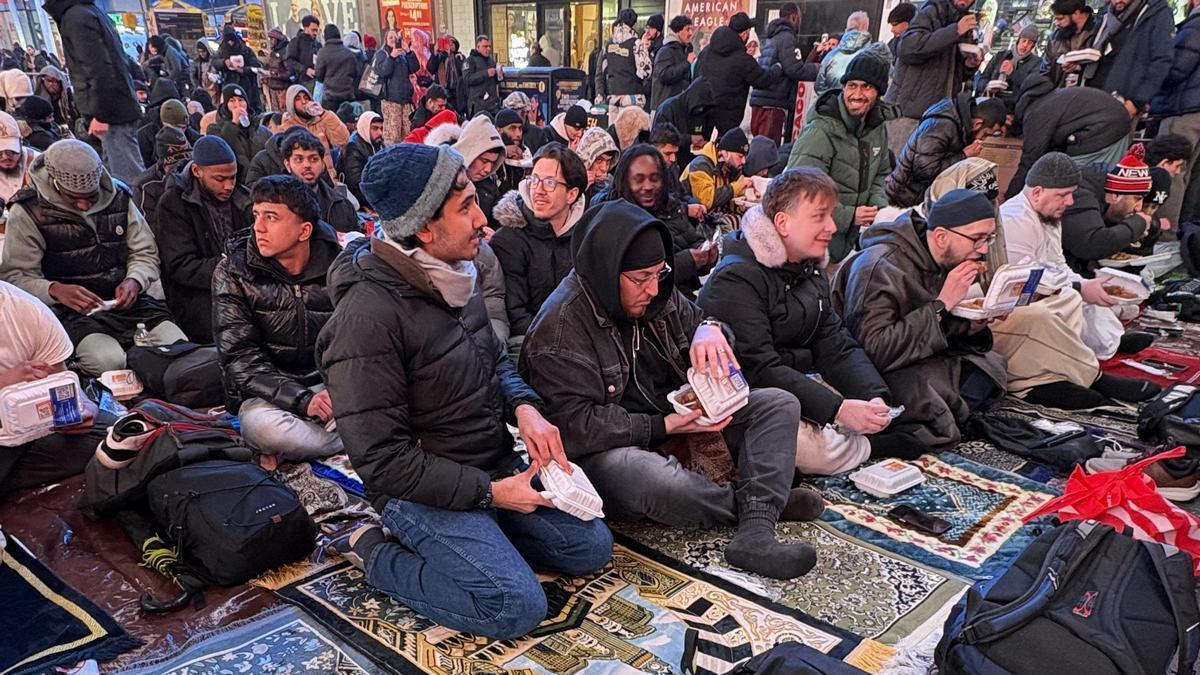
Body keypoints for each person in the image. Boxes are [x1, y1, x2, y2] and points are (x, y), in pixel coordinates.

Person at [319, 142, 612, 639]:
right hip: (419, 491)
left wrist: (525, 408)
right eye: (466, 208)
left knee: (589, 547)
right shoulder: (366, 319)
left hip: (484, 464)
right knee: (513, 606)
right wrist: (493, 494)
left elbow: (493, 358)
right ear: (424, 229)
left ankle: (479, 539)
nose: (482, 220)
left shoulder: (457, 273)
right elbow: (384, 462)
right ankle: (371, 548)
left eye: (476, 201)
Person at [521, 198, 822, 580]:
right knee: (647, 475)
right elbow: (576, 428)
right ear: (606, 270)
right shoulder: (560, 328)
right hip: (608, 451)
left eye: (659, 273)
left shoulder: (658, 293)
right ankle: (755, 505)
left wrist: (712, 328)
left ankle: (754, 533)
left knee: (778, 404)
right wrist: (662, 426)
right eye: (640, 278)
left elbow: (699, 321)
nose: (652, 288)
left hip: (679, 421)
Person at [699, 169, 926, 475]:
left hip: (797, 378)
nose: (832, 227)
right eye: (820, 217)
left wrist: (872, 394)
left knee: (892, 389)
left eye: (831, 216)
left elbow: (833, 340)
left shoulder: (808, 266)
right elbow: (759, 369)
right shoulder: (737, 278)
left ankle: (860, 431)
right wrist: (838, 409)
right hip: (749, 396)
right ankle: (870, 446)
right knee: (801, 443)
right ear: (783, 223)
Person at [833, 189, 1007, 449]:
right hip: (877, 369)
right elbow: (874, 350)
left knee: (990, 365)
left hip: (916, 356)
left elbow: (936, 330)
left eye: (988, 239)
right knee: (934, 393)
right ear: (941, 236)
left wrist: (970, 325)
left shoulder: (937, 259)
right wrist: (943, 303)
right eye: (976, 239)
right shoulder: (880, 265)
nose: (982, 250)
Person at [0, 140, 186, 376]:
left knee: (177, 348)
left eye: (90, 196)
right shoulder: (28, 210)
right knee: (109, 362)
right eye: (74, 197)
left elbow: (145, 251)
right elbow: (16, 276)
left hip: (130, 304)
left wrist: (135, 279)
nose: (83, 204)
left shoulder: (118, 196)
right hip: (71, 312)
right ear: (56, 183)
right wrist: (55, 290)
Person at [998, 152, 1162, 407]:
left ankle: (1079, 362)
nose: (1070, 201)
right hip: (1013, 302)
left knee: (1080, 293)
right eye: (1063, 195)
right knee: (1064, 299)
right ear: (1038, 191)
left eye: (1071, 193)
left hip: (1045, 290)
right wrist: (1077, 286)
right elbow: (1024, 278)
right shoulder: (1014, 218)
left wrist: (1082, 284)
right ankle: (1085, 376)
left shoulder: (1048, 214)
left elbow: (1057, 264)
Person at [214, 175, 342, 460]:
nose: (258, 227)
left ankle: (351, 430)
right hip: (268, 393)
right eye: (256, 215)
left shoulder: (339, 267)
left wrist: (340, 388)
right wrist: (302, 400)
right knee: (264, 429)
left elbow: (356, 341)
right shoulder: (233, 272)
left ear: (304, 230)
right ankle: (353, 439)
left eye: (271, 217)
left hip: (330, 383)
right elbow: (239, 357)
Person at [0, 280, 110, 494]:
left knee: (114, 438)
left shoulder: (25, 309)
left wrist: (85, 407)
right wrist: (5, 383)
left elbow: (61, 382)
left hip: (23, 430)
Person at [789, 52, 894, 264]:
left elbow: (880, 174)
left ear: (878, 93)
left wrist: (879, 207)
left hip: (845, 243)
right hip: (811, 244)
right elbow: (797, 188)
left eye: (866, 87)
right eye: (851, 85)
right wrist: (848, 215)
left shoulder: (877, 129)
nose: (857, 93)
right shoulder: (821, 129)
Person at [153, 136, 250, 343]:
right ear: (197, 172)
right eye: (220, 179)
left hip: (244, 286)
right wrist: (231, 268)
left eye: (233, 177)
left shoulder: (243, 197)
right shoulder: (173, 204)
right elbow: (181, 266)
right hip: (197, 297)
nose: (229, 185)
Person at [490, 142, 587, 346]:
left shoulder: (585, 236)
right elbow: (516, 315)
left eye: (550, 182)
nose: (539, 190)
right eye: (534, 180)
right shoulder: (509, 239)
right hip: (530, 342)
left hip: (580, 338)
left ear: (572, 194)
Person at [44, 0, 144, 184]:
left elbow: (99, 68)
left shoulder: (76, 17)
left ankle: (138, 212)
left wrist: (100, 114)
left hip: (110, 113)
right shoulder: (86, 12)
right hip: (114, 109)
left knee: (127, 181)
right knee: (120, 177)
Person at [597, 144, 715, 293]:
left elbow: (691, 240)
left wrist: (707, 255)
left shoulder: (669, 205)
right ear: (625, 180)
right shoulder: (612, 217)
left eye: (654, 178)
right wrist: (689, 261)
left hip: (682, 297)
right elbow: (638, 277)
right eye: (639, 179)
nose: (648, 186)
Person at [883, 0, 983, 158]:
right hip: (908, 116)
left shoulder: (961, 20)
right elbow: (908, 48)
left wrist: (969, 65)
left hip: (934, 118)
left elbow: (951, 74)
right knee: (894, 173)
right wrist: (955, 31)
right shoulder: (933, 10)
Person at [1005, 75, 1130, 199]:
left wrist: (1009, 199)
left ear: (1008, 119)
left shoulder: (1036, 114)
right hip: (1115, 120)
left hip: (1105, 128)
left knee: (1076, 183)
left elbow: (1030, 158)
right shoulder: (1051, 99)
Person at [886, 94, 1007, 207]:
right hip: (904, 198)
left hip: (919, 196)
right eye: (985, 134)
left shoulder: (960, 124)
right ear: (977, 124)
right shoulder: (942, 125)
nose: (982, 139)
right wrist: (964, 155)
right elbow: (924, 170)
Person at [1060, 149, 1155, 274]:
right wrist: (1137, 224)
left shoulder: (1104, 203)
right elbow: (1091, 245)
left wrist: (1144, 237)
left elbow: (1133, 265)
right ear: (1115, 196)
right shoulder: (1081, 196)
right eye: (1137, 199)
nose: (1138, 207)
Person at [1151, 0, 1200, 231]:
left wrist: (1151, 86)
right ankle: (1184, 231)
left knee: (1170, 172)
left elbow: (1177, 67)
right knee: (1189, 174)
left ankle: (1163, 233)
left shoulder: (1196, 25)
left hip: (1183, 109)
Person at [1087, 0, 1174, 123]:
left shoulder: (1156, 13)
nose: (1117, 1)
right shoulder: (1107, 14)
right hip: (1093, 95)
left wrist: (1136, 101)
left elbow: (1162, 61)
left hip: (1123, 101)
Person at [698, 14, 783, 134]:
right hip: (728, 120)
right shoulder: (743, 59)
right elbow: (763, 80)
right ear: (744, 34)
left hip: (702, 114)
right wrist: (777, 68)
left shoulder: (706, 51)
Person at [749, 4, 818, 145]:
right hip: (773, 104)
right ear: (793, 16)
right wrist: (818, 69)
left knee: (760, 149)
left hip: (763, 102)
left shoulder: (773, 37)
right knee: (768, 153)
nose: (800, 22)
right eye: (799, 18)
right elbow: (794, 69)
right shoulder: (787, 38)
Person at [281, 129, 358, 233]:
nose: (307, 165)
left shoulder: (341, 205)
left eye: (313, 159)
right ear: (287, 165)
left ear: (322, 164)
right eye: (299, 159)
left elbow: (356, 243)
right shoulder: (274, 205)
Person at [131, 126, 190, 235]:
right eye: (176, 166)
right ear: (164, 163)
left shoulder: (194, 174)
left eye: (186, 164)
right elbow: (147, 228)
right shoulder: (145, 185)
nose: (181, 169)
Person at [206, 84, 270, 183]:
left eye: (241, 100)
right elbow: (222, 149)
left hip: (262, 183)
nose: (237, 104)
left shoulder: (261, 130)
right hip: (235, 184)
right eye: (232, 101)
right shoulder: (214, 129)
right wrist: (233, 124)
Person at [280, 84, 349, 176]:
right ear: (291, 104)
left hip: (329, 176)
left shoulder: (322, 119)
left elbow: (342, 141)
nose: (304, 102)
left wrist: (325, 114)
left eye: (306, 98)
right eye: (298, 99)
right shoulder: (287, 127)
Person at [815, 17, 890, 97]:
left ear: (846, 29)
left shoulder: (831, 55)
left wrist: (832, 101)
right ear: (866, 28)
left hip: (833, 105)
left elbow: (819, 86)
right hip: (862, 105)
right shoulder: (875, 55)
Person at [599, 9, 651, 121]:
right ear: (634, 23)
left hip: (613, 98)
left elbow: (602, 70)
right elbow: (645, 72)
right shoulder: (636, 43)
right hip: (632, 98)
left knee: (615, 133)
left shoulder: (608, 44)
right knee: (631, 133)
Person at [654, 77, 716, 170]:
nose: (701, 109)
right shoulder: (667, 109)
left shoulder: (702, 113)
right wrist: (689, 139)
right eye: (700, 106)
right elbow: (659, 140)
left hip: (692, 165)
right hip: (668, 166)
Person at [682, 126, 749, 212]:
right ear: (725, 153)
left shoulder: (733, 168)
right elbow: (706, 200)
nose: (744, 161)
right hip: (692, 218)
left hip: (717, 216)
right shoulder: (701, 165)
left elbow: (738, 195)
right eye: (740, 156)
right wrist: (738, 186)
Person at [454, 115, 506, 223]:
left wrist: (494, 235)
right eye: (484, 161)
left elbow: (499, 222)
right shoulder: (444, 185)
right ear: (469, 152)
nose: (488, 169)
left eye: (493, 162)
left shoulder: (489, 187)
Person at [973, 24, 1040, 102]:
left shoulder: (1036, 63)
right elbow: (982, 79)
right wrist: (987, 86)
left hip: (1012, 107)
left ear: (1033, 46)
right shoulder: (1000, 56)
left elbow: (1030, 88)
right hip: (990, 101)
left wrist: (1013, 73)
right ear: (1018, 40)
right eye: (1024, 41)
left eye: (1030, 43)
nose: (1025, 45)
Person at [1040, 0, 1097, 87]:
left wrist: (1079, 67)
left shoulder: (1099, 32)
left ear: (1076, 13)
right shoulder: (1055, 37)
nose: (1057, 23)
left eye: (1060, 18)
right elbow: (1045, 71)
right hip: (1056, 94)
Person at [314, 24, 363, 115]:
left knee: (332, 124)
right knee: (347, 123)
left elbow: (319, 76)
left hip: (330, 97)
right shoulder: (348, 53)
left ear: (325, 36)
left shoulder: (322, 52)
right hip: (347, 95)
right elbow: (356, 73)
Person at [215, 25, 263, 115]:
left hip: (247, 85)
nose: (230, 42)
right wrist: (224, 62)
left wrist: (244, 70)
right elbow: (215, 62)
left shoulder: (245, 50)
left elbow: (256, 66)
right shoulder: (221, 50)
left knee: (250, 109)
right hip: (229, 83)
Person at [650, 16, 694, 111]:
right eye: (687, 29)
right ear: (678, 31)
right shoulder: (666, 51)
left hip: (676, 106)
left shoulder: (684, 50)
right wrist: (687, 63)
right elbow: (665, 75)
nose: (690, 33)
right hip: (665, 107)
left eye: (691, 29)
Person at [340, 111, 382, 209]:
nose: (380, 133)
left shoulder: (377, 143)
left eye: (381, 128)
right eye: (375, 128)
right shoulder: (353, 147)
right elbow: (355, 182)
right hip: (358, 194)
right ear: (365, 128)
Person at [577, 126, 619, 202]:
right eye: (598, 160)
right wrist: (581, 190)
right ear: (586, 158)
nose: (604, 168)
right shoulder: (570, 181)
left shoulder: (613, 184)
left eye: (608, 162)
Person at [463, 35, 501, 117]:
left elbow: (496, 81)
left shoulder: (491, 60)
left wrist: (499, 75)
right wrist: (486, 73)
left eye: (489, 46)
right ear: (478, 46)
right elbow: (467, 79)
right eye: (485, 46)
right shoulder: (470, 60)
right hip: (478, 105)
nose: (488, 49)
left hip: (492, 104)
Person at [34, 66, 78, 131]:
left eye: (55, 81)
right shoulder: (39, 98)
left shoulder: (68, 97)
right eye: (49, 80)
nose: (51, 84)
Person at [286, 15, 321, 92]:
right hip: (303, 82)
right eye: (313, 30)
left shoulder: (317, 44)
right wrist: (305, 70)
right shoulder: (296, 42)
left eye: (316, 30)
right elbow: (290, 61)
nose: (315, 33)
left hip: (317, 82)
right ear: (305, 28)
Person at [264, 28, 294, 113]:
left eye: (272, 39)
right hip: (273, 89)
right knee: (276, 114)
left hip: (283, 89)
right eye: (269, 39)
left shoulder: (285, 52)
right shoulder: (273, 52)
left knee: (285, 113)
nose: (270, 41)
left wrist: (274, 75)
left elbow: (290, 73)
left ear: (277, 39)